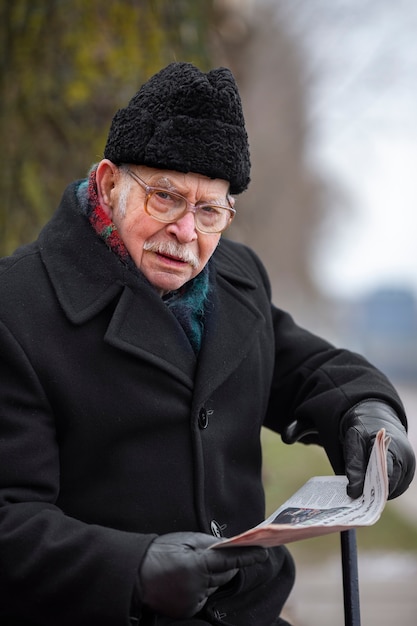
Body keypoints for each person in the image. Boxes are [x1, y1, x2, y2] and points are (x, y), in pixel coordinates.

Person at [0, 62, 414, 626]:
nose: (186, 232)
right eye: (165, 197)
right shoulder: (17, 307)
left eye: (209, 210)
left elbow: (306, 366)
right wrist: (134, 569)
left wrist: (366, 410)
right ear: (108, 184)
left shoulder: (237, 277)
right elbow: (10, 519)